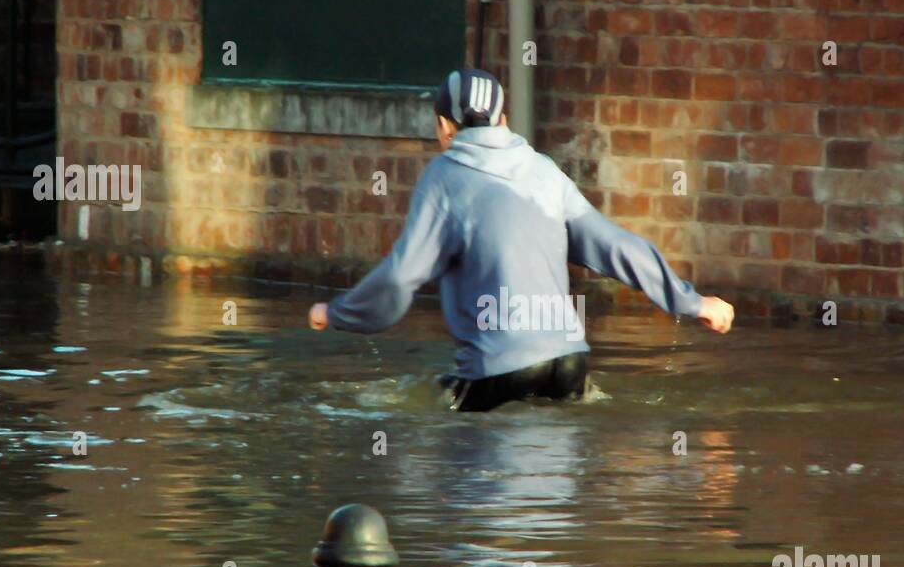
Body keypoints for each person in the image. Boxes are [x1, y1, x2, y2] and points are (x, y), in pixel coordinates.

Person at [308, 67, 734, 411]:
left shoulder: (443, 176)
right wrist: (693, 302)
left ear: (444, 127)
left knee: (428, 445)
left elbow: (402, 276)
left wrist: (339, 312)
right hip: (569, 361)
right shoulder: (544, 170)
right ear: (504, 121)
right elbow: (615, 246)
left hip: (497, 369)